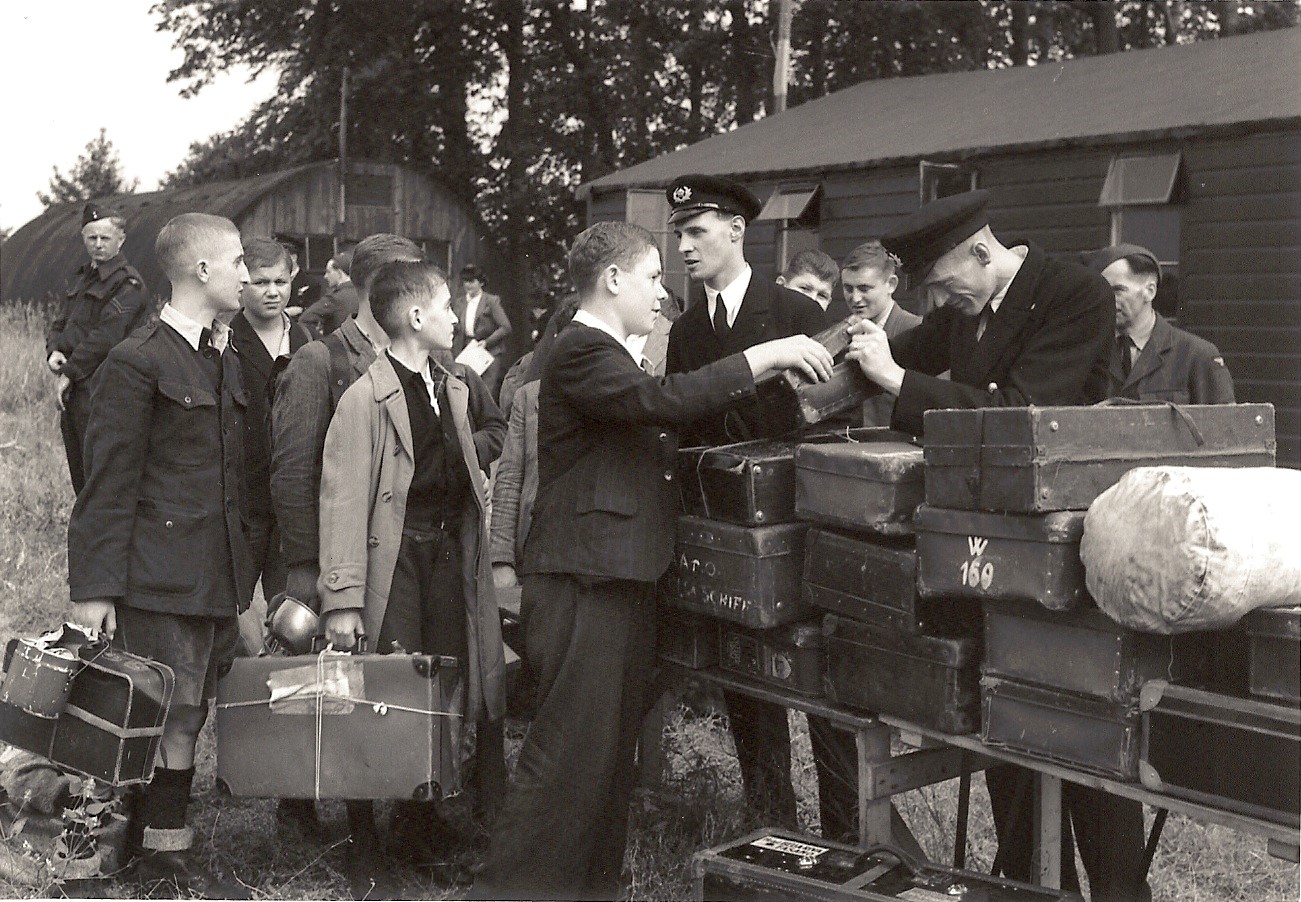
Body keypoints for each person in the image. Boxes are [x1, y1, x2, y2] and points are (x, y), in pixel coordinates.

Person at [472, 221, 833, 901]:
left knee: (605, 761)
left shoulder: (605, 351)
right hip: (587, 580)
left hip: (618, 577)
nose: (662, 294)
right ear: (612, 280)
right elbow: (658, 402)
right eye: (651, 279)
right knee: (566, 757)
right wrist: (766, 355)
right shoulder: (580, 348)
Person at [849, 190, 1143, 901]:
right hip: (990, 547)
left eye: (948, 284)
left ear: (981, 252)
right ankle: (1031, 887)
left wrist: (894, 380)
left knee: (1083, 743)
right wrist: (838, 351)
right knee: (1004, 727)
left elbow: (1019, 416)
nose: (943, 301)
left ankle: (1119, 893)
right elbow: (897, 349)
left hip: (1068, 551)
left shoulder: (1071, 294)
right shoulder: (964, 307)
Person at [66, 213, 253, 899]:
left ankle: (163, 854)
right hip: (157, 578)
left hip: (212, 577)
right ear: (201, 270)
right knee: (154, 713)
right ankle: (122, 859)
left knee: (190, 712)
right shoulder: (136, 359)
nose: (246, 271)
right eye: (236, 260)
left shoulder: (223, 354)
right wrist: (93, 589)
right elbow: (105, 483)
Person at [317, 259, 507, 888]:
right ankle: (364, 841)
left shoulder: (450, 386)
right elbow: (342, 501)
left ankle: (420, 824)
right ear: (417, 318)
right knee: (380, 688)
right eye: (448, 307)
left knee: (439, 687)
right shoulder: (362, 398)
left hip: (446, 559)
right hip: (392, 564)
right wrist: (342, 599)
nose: (457, 317)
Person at [663, 173, 828, 831]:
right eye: (678, 234)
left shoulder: (796, 315)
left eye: (696, 231)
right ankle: (771, 834)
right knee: (748, 694)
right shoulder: (687, 332)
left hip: (802, 540)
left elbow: (835, 433)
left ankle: (846, 841)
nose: (683, 247)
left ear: (737, 231)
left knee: (824, 703)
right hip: (732, 549)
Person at [269, 233, 423, 895]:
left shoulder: (415, 357)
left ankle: (407, 820)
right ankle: (350, 834)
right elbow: (293, 471)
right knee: (337, 691)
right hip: (337, 561)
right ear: (377, 283)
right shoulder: (320, 359)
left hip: (400, 560)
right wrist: (309, 571)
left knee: (392, 691)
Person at [228, 237, 312, 656]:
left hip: (291, 504)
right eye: (261, 282)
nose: (273, 291)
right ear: (242, 283)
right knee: (234, 602)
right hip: (243, 498)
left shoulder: (305, 339)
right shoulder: (224, 340)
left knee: (291, 606)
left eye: (281, 280)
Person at [45, 201, 149, 493]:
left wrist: (69, 372)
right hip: (77, 392)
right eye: (92, 237)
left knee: (105, 481)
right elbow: (61, 322)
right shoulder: (82, 278)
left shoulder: (129, 284)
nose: (99, 244)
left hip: (106, 391)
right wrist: (54, 350)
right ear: (83, 238)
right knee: (82, 477)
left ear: (121, 239)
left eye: (105, 237)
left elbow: (106, 337)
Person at [1090, 243, 1234, 404]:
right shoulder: (1090, 353)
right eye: (1100, 291)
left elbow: (1225, 425)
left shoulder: (1195, 355)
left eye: (1118, 290)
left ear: (1149, 291)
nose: (1106, 299)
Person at [839, 240, 921, 428]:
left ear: (891, 284)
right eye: (848, 288)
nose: (855, 298)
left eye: (864, 288)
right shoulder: (842, 335)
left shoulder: (916, 331)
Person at [452, 264, 512, 399]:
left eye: (472, 281)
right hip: (467, 350)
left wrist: (487, 342)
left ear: (481, 283)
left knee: (486, 392)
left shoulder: (491, 301)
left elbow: (505, 327)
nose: (468, 285)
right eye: (465, 281)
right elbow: (455, 326)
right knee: (466, 390)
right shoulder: (459, 302)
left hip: (489, 351)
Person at [299, 249, 361, 339]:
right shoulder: (366, 294)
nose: (325, 276)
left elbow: (304, 320)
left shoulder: (334, 298)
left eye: (328, 272)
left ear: (339, 273)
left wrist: (324, 341)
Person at [272, 232, 322, 316]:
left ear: (294, 258)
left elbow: (314, 311)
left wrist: (300, 310)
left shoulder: (311, 283)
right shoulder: (273, 280)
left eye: (281, 258)